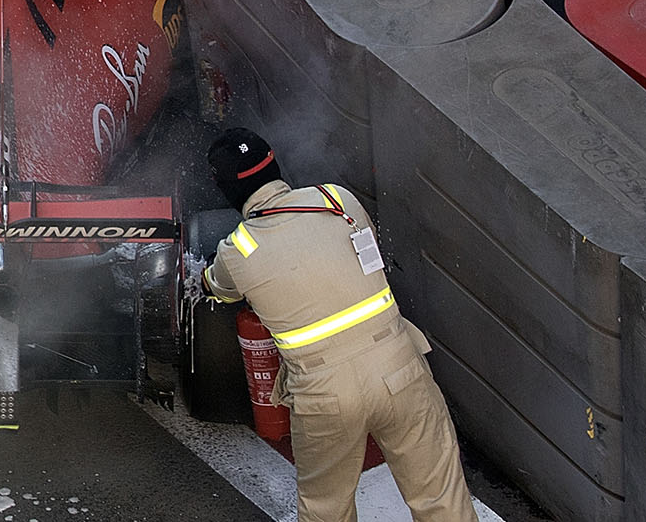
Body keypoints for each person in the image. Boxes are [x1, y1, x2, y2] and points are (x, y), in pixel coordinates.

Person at [204, 128, 478, 522]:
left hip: (323, 395)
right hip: (399, 366)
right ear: (274, 162)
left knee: (326, 511)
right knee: (442, 500)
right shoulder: (338, 199)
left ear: (225, 189)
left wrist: (206, 277)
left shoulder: (238, 249)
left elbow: (219, 287)